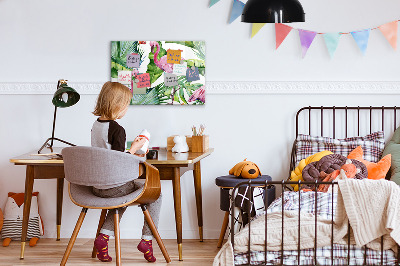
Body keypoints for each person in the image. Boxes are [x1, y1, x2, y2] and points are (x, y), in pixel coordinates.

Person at [91, 81, 161, 263]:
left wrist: (130, 150)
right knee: (156, 194)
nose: (127, 109)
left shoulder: (96, 125)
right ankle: (147, 240)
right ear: (117, 105)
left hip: (97, 186)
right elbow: (118, 161)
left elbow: (108, 154)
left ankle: (103, 238)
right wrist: (135, 149)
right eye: (126, 104)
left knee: (122, 198)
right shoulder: (117, 129)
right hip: (114, 186)